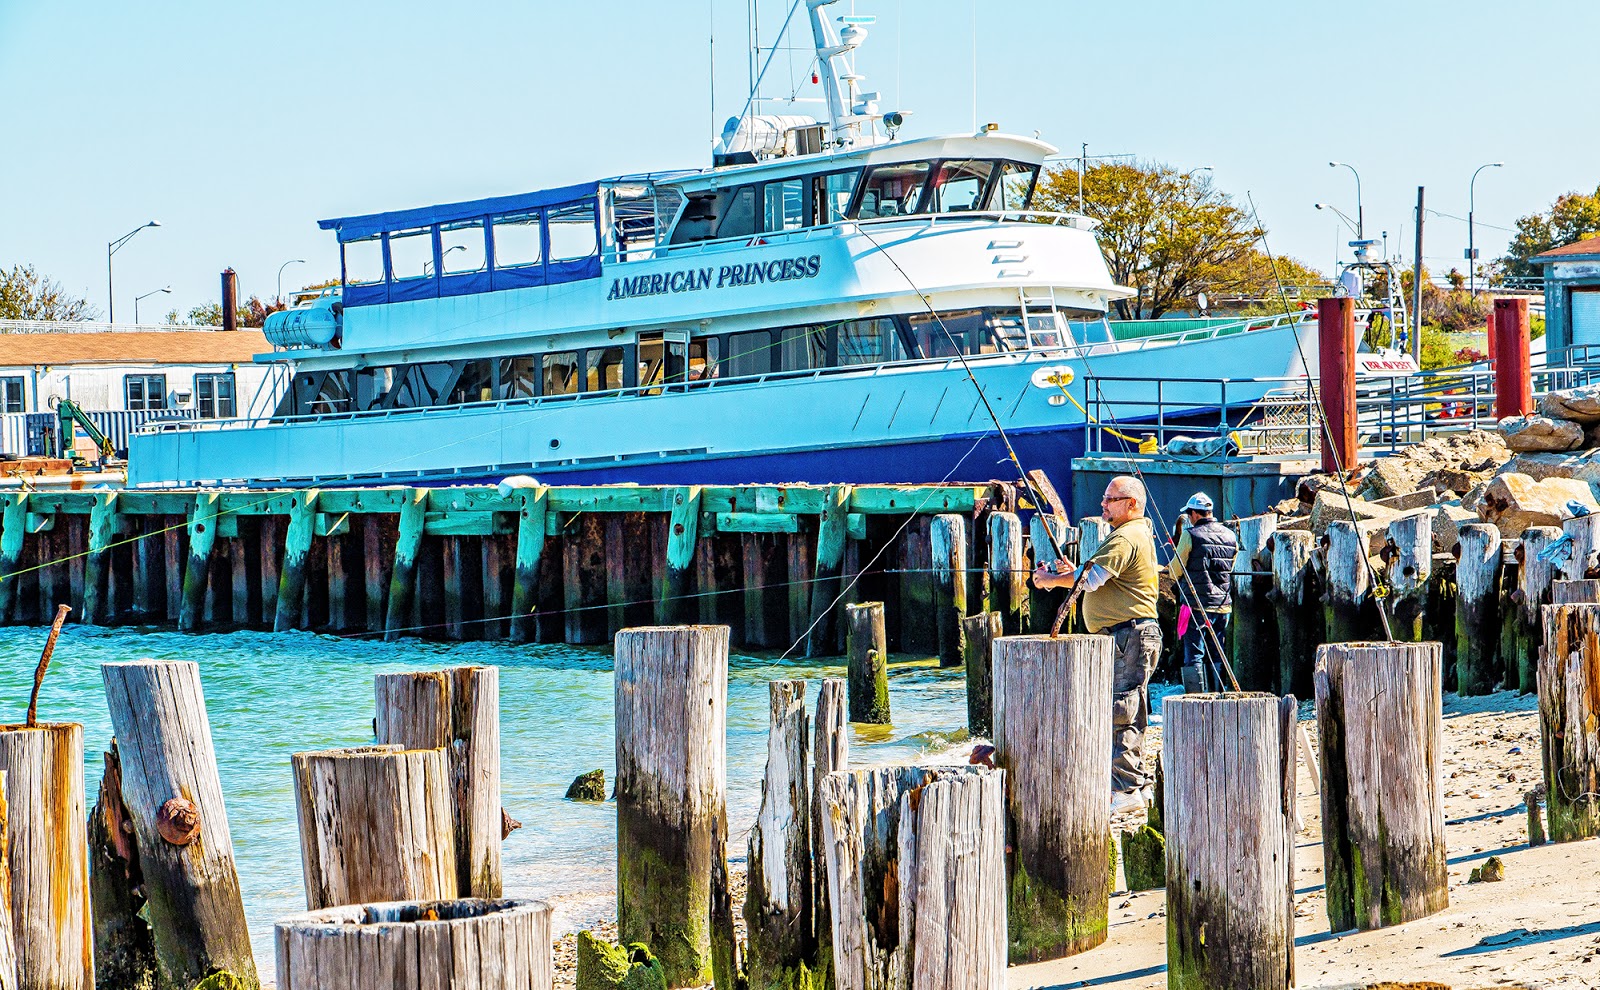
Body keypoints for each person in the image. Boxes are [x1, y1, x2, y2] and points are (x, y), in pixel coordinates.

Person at [1032, 475, 1160, 813]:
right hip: (1129, 634)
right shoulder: (1132, 535)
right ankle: (1137, 784)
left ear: (1131, 504)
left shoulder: (1126, 536)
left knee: (1121, 711)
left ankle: (1126, 789)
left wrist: (1050, 580)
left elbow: (1092, 579)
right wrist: (1072, 572)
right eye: (1104, 498)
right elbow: (1101, 579)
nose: (1102, 504)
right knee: (1130, 708)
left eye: (1110, 499)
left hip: (1127, 634)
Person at [1167, 492, 1238, 694]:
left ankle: (1195, 700)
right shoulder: (1230, 535)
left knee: (1195, 654)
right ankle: (1217, 696)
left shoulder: (1191, 535)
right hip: (1223, 605)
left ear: (1194, 514)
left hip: (1196, 605)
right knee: (1217, 653)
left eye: (1189, 515)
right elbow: (1231, 565)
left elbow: (1175, 570)